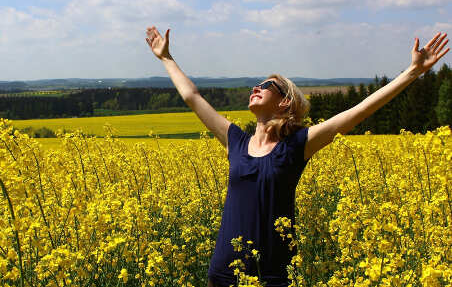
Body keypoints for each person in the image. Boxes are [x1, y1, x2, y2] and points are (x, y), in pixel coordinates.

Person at [145, 26, 449, 287]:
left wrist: (412, 73)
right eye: (256, 84)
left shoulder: (297, 145)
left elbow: (356, 113)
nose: (257, 87)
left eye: (267, 86)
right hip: (223, 275)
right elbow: (192, 97)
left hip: (273, 277)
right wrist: (166, 57)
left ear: (285, 102)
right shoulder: (235, 141)